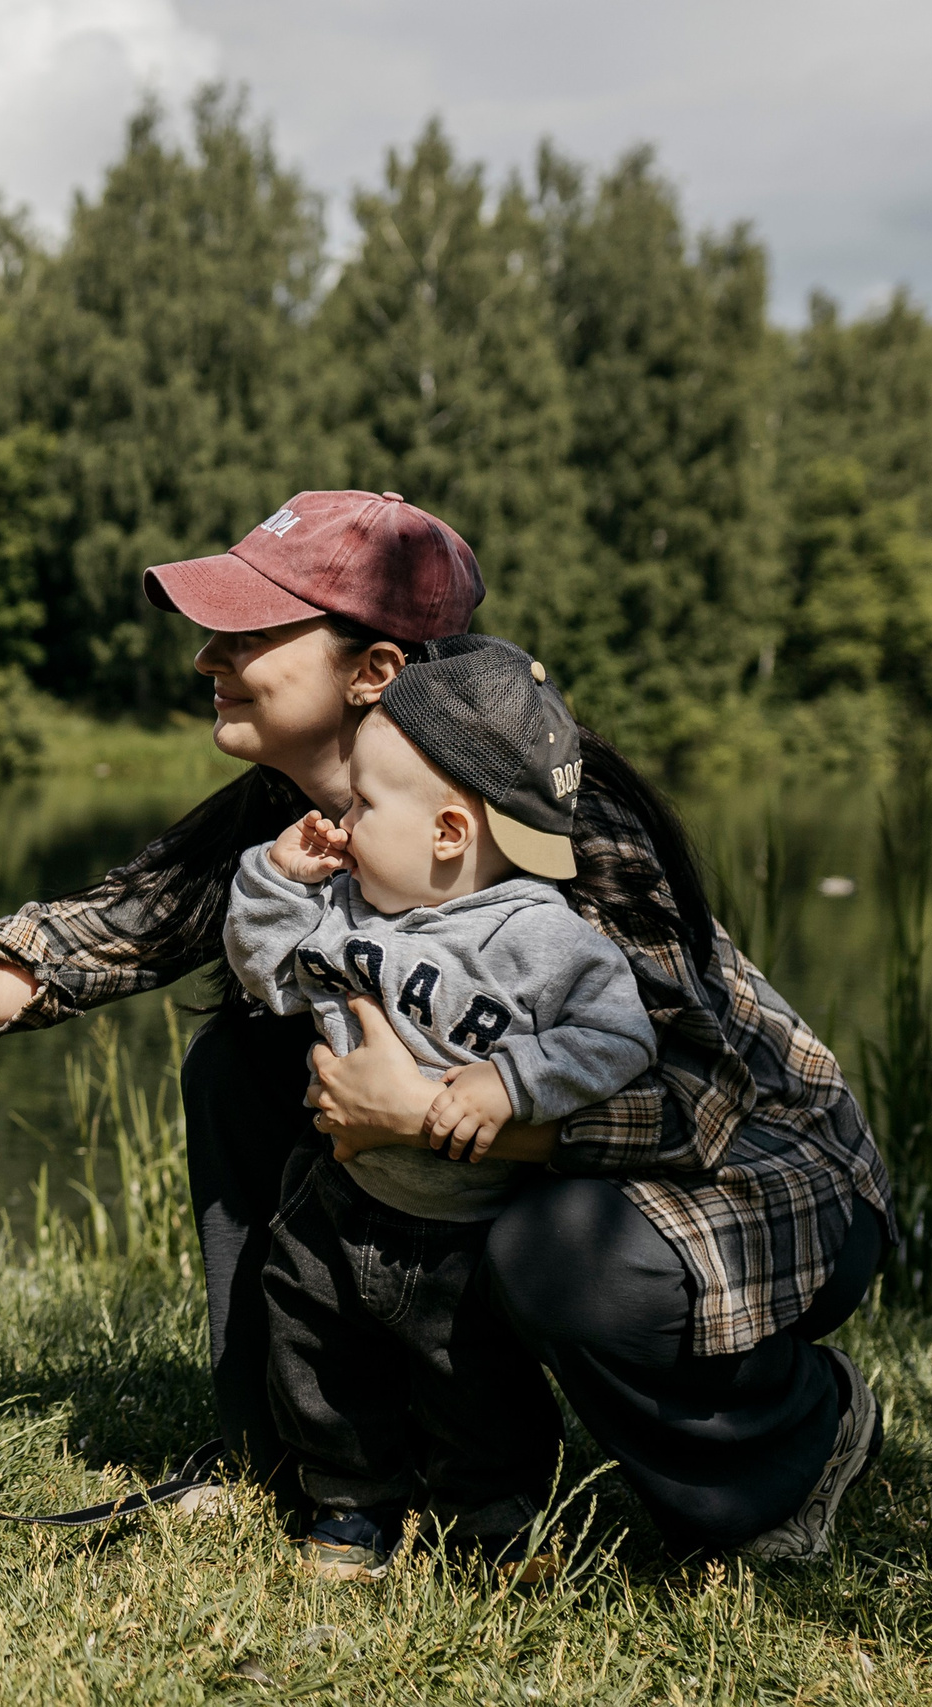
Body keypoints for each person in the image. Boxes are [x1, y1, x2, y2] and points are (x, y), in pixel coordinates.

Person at [0, 489, 898, 1563]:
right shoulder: (275, 826)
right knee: (244, 1061)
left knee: (563, 1257)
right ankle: (305, 1458)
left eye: (249, 632)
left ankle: (792, 1438)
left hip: (757, 1180)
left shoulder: (547, 824)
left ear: (374, 670)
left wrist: (425, 1114)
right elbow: (17, 974)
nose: (206, 655)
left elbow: (690, 1107)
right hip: (538, 1155)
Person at [224, 633, 655, 1575]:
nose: (342, 824)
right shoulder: (347, 907)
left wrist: (511, 1081)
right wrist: (275, 880)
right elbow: (266, 969)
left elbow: (620, 1037)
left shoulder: (540, 936)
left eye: (364, 805)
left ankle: (493, 1524)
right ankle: (350, 1506)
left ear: (450, 832)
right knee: (316, 1347)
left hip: (469, 1221)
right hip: (339, 1197)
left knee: (477, 1378)